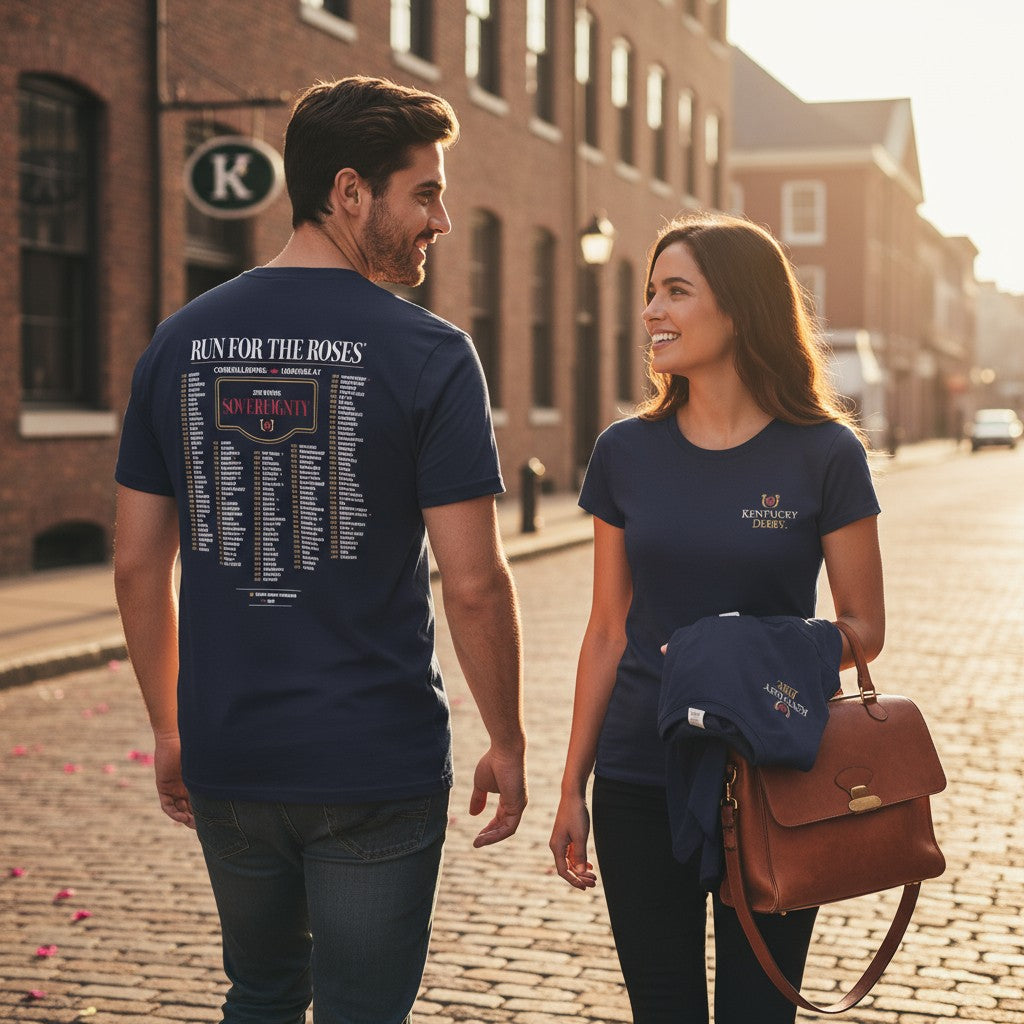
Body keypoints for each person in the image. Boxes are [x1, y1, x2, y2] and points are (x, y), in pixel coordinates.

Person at [114, 75, 527, 1024]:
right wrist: (504, 739)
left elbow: (139, 564)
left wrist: (172, 727)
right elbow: (472, 584)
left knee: (258, 994)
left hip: (232, 752)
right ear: (350, 192)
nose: (442, 219)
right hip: (373, 761)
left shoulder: (179, 344)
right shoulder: (430, 354)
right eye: (424, 192)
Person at [549, 212, 884, 1024]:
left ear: (738, 308)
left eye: (676, 292)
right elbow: (605, 629)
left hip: (771, 770)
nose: (652, 313)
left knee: (757, 1014)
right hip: (638, 771)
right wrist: (571, 788)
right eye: (649, 293)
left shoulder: (825, 454)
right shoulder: (624, 452)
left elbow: (863, 627)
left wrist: (732, 651)